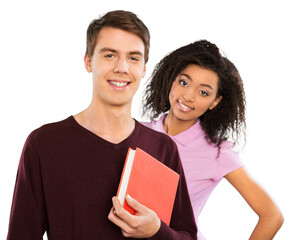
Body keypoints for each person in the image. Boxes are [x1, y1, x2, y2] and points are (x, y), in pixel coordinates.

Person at [6, 10, 197, 239]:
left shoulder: (163, 148)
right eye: (110, 55)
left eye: (133, 58)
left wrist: (157, 230)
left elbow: (187, 235)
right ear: (88, 61)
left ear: (144, 68)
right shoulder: (44, 145)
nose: (122, 68)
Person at [142, 40, 284, 239]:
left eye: (203, 92)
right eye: (184, 82)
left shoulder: (217, 153)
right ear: (172, 80)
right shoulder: (136, 132)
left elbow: (272, 216)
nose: (188, 96)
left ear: (214, 102)